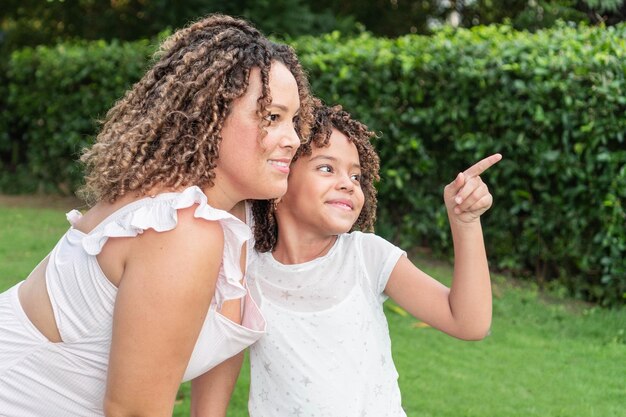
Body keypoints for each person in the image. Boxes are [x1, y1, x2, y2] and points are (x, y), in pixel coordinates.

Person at [0, 14, 313, 417]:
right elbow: (133, 412)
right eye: (271, 117)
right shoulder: (178, 228)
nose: (293, 139)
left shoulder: (223, 214)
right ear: (208, 117)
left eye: (294, 120)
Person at [246, 102, 501, 416]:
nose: (347, 184)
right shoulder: (247, 269)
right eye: (327, 168)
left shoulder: (367, 256)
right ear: (281, 175)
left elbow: (469, 322)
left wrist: (465, 223)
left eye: (356, 176)